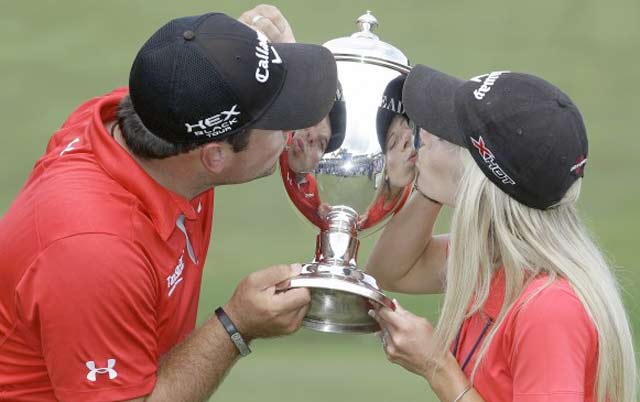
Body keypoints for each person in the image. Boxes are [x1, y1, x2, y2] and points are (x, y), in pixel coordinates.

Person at [0, 7, 338, 402]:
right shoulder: (93, 250)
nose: (293, 129)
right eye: (281, 120)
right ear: (215, 157)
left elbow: (207, 82)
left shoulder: (156, 116)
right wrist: (235, 326)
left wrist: (259, 68)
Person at [366, 66, 637, 402]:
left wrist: (437, 366)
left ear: (481, 179)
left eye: (443, 135)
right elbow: (391, 271)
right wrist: (430, 189)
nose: (423, 136)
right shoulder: (496, 259)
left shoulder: (550, 310)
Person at [279, 84, 346, 228]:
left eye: (321, 143)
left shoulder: (312, 188)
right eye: (312, 120)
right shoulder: (272, 144)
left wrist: (321, 214)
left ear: (319, 163)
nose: (311, 135)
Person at [359, 75, 417, 230]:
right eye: (393, 143)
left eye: (407, 126)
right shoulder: (365, 218)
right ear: (383, 169)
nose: (407, 139)